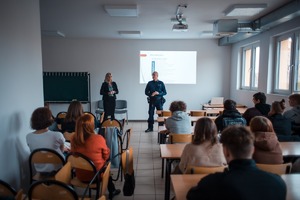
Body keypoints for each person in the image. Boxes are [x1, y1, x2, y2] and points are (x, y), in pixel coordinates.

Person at [186, 126, 286, 200]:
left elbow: (191, 196)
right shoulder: (278, 183)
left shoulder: (211, 183)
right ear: (252, 150)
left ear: (226, 151)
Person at [70, 114, 120, 199]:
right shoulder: (98, 138)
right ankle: (112, 191)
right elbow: (106, 156)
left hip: (80, 175)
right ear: (91, 126)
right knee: (106, 167)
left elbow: (74, 154)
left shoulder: (73, 139)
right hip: (96, 176)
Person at [26, 107, 66, 173]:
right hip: (57, 169)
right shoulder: (57, 135)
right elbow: (62, 150)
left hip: (40, 170)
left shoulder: (28, 136)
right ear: (48, 119)